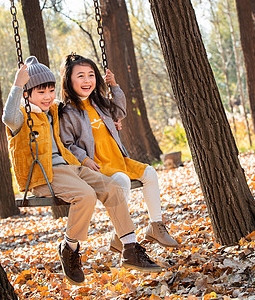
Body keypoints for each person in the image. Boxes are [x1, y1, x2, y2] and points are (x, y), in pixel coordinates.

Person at [2, 56, 163, 285]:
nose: (48, 97)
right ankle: (70, 248)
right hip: (44, 175)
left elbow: (80, 108)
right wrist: (18, 84)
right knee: (85, 197)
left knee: (112, 188)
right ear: (27, 94)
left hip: (71, 167)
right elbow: (7, 117)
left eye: (50, 90)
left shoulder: (55, 110)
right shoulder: (21, 116)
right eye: (41, 93)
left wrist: (110, 121)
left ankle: (130, 249)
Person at [58, 53, 180, 254]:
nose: (87, 80)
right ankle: (120, 233)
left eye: (91, 75)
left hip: (118, 158)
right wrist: (85, 159)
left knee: (150, 173)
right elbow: (68, 144)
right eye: (80, 76)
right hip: (98, 164)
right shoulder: (68, 112)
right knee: (121, 181)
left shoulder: (99, 102)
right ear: (68, 80)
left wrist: (114, 86)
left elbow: (120, 112)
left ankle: (155, 225)